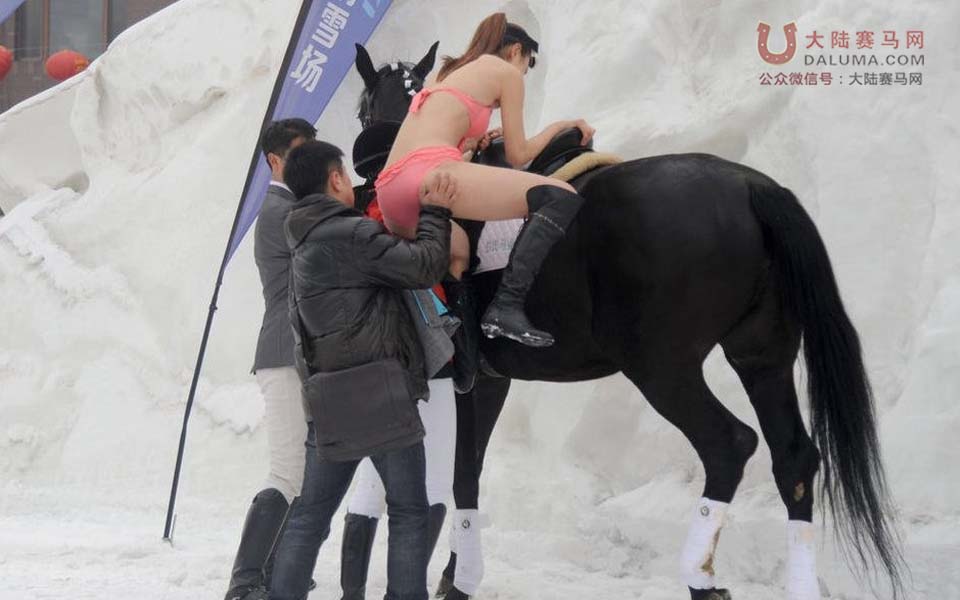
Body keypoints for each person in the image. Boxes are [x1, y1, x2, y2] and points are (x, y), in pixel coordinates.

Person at [267, 140, 456, 600]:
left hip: (330, 401)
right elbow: (423, 266)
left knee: (310, 517)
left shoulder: (302, 242)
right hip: (382, 395)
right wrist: (435, 211)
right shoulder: (349, 234)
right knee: (408, 512)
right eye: (345, 175)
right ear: (335, 179)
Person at [374, 12, 596, 348]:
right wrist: (560, 126)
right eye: (527, 64)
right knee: (559, 195)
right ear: (516, 51)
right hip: (428, 176)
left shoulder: (448, 73)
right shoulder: (505, 73)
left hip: (392, 194)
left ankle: (464, 350)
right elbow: (518, 155)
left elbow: (439, 135)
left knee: (460, 250)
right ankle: (507, 305)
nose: (523, 72)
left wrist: (472, 142)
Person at [224, 118, 317, 600]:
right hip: (284, 354)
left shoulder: (296, 207)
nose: (309, 164)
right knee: (286, 470)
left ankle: (280, 570)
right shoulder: (282, 210)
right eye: (300, 155)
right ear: (274, 161)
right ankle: (245, 582)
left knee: (304, 471)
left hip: (304, 355)